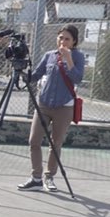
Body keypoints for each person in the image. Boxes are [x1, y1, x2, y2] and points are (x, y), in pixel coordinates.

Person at [17, 25, 86, 193]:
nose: (62, 41)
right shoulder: (49, 56)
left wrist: (69, 59)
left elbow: (78, 78)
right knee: (34, 140)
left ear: (74, 41)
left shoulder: (78, 57)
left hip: (64, 107)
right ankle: (36, 178)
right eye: (60, 37)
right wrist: (21, 72)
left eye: (67, 39)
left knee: (56, 143)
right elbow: (36, 76)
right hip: (44, 104)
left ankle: (49, 177)